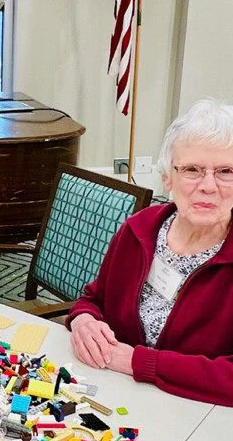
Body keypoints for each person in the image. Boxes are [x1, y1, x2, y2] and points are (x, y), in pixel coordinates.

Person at [68, 99, 233, 407]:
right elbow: (93, 299)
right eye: (192, 170)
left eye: (225, 171)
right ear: (167, 178)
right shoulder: (139, 229)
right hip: (113, 394)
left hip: (199, 414)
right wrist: (83, 320)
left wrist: (139, 362)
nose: (208, 185)